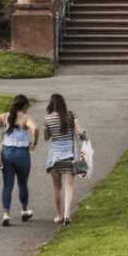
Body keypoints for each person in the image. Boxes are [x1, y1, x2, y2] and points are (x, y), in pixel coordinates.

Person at [0, 94, 39, 227]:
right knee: (22, 184)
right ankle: (24, 211)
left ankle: (6, 214)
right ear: (25, 106)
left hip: (7, 153)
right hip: (22, 153)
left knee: (7, 185)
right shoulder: (26, 118)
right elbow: (35, 128)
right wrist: (34, 143)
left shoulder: (5, 117)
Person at [43, 93, 88, 225]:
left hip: (54, 157)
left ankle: (58, 215)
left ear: (51, 104)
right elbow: (79, 132)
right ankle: (67, 214)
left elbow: (46, 138)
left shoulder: (47, 118)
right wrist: (85, 136)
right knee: (68, 186)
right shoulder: (71, 115)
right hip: (69, 156)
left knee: (57, 188)